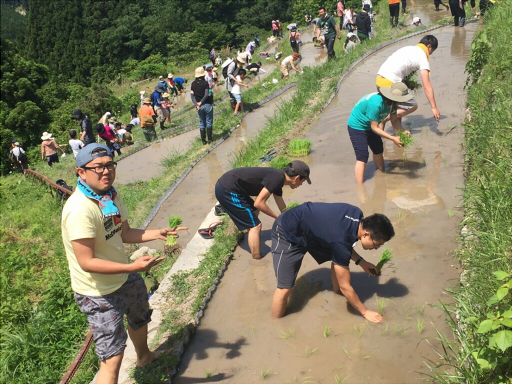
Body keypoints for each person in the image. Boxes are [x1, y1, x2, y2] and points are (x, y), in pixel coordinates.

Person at [61, 143, 187, 384]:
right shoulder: (80, 210)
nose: (106, 171)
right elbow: (86, 262)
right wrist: (133, 267)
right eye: (98, 167)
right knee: (112, 357)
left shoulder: (109, 197)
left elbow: (124, 232)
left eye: (110, 165)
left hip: (123, 274)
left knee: (140, 317)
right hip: (97, 291)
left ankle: (144, 356)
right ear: (81, 173)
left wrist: (158, 232)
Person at [271, 202, 395, 320]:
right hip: (287, 231)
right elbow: (345, 286)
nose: (376, 248)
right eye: (376, 244)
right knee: (284, 288)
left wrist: (361, 262)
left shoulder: (357, 214)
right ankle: (277, 323)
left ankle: (336, 292)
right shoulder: (340, 240)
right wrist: (365, 312)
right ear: (366, 234)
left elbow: (343, 244)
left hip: (310, 230)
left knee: (339, 256)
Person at [215, 161, 311, 260]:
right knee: (256, 226)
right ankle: (257, 259)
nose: (301, 184)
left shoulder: (279, 178)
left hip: (232, 186)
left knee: (254, 211)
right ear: (296, 178)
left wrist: (289, 220)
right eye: (303, 181)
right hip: (227, 189)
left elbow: (280, 202)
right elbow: (259, 203)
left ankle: (252, 235)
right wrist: (278, 218)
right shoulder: (277, 179)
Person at [347, 83, 413, 184]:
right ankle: (360, 187)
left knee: (378, 150)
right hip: (357, 126)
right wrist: (393, 138)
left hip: (371, 126)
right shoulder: (376, 104)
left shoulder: (393, 104)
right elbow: (375, 128)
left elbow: (394, 121)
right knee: (362, 156)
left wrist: (403, 131)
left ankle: (381, 174)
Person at [376, 35, 440, 123]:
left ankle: (395, 133)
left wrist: (407, 84)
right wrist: (434, 107)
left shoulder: (408, 48)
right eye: (431, 51)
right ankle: (385, 118)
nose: (430, 54)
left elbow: (398, 68)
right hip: (390, 83)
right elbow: (427, 85)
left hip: (379, 80)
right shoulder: (422, 57)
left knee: (396, 107)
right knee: (412, 106)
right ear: (429, 46)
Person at [190, 66, 214, 145]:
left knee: (202, 122)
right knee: (209, 121)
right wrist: (201, 102)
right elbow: (207, 94)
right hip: (207, 104)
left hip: (199, 107)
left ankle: (203, 141)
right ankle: (210, 139)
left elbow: (192, 96)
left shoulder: (193, 84)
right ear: (203, 75)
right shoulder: (205, 83)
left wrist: (196, 104)